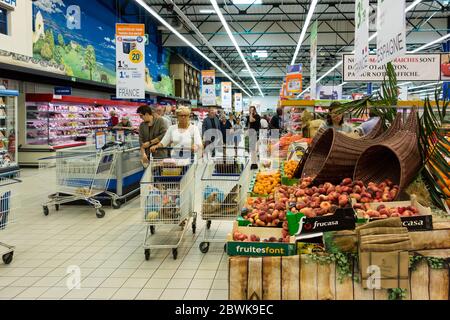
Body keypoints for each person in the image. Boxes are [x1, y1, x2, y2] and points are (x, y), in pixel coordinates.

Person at [246, 106, 261, 170]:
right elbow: (248, 125)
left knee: (254, 150)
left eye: (252, 110)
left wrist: (251, 113)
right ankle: (253, 163)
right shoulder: (249, 116)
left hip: (255, 134)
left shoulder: (257, 116)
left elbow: (251, 120)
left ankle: (255, 163)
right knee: (252, 150)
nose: (251, 111)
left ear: (254, 110)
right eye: (250, 110)